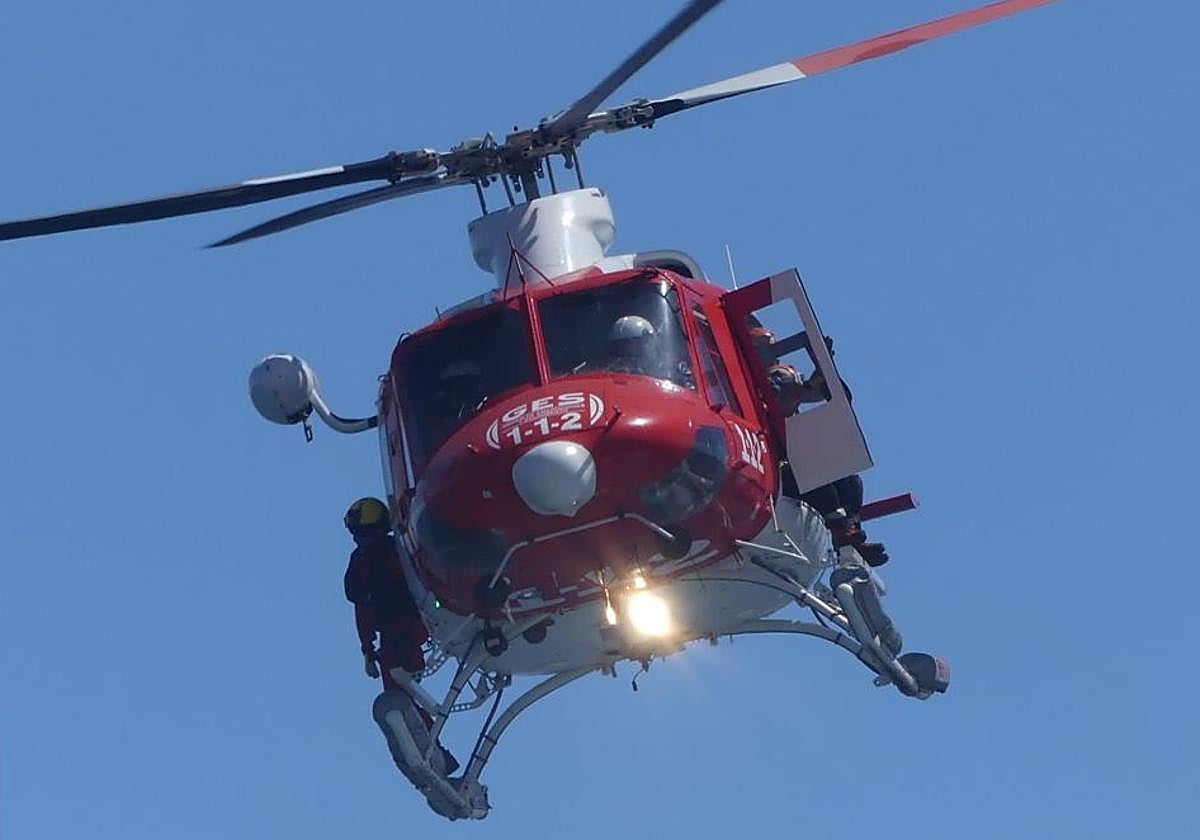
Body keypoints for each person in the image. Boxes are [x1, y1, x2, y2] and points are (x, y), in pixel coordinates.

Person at [749, 327, 888, 567]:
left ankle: (850, 530)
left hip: (789, 458)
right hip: (766, 460)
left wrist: (824, 369)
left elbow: (818, 393)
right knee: (812, 474)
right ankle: (839, 528)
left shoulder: (781, 379)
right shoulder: (743, 382)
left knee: (849, 478)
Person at [343, 497, 459, 777]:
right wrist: (367, 649)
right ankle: (429, 747)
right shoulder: (370, 559)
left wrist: (368, 647)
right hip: (396, 632)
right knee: (397, 686)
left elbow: (364, 607)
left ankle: (434, 750)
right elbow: (362, 608)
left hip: (407, 626)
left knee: (398, 684)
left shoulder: (396, 550)